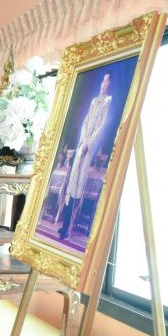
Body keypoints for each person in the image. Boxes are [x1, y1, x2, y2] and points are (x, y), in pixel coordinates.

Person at [58, 73, 111, 240]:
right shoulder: (94, 100)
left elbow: (101, 125)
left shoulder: (107, 101)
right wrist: (82, 141)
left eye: (107, 81)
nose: (103, 84)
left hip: (90, 146)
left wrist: (90, 142)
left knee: (79, 186)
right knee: (71, 183)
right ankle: (65, 225)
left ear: (109, 84)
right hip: (83, 144)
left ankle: (70, 226)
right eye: (103, 81)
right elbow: (86, 121)